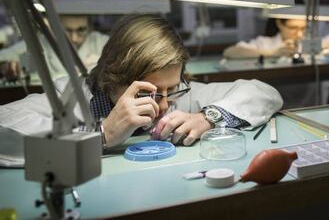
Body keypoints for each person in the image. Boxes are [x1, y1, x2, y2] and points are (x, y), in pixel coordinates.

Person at [0, 14, 282, 164]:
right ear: (112, 77)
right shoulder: (69, 95)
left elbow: (263, 92)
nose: (161, 106)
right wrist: (103, 135)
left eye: (169, 90)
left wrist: (208, 118)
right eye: (146, 93)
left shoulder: (181, 94)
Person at [0, 15, 108, 80]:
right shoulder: (41, 43)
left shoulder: (99, 41)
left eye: (81, 30)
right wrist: (7, 66)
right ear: (53, 28)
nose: (74, 38)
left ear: (90, 27)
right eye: (67, 31)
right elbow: (4, 56)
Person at [223, 18, 329, 59]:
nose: (299, 34)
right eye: (293, 28)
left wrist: (313, 46)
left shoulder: (306, 42)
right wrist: (272, 53)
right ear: (280, 23)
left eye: (303, 28)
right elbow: (230, 52)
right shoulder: (266, 43)